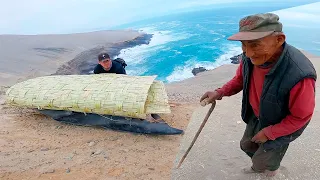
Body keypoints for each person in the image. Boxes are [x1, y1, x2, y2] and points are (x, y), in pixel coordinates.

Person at [200, 13, 317, 177]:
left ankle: (269, 170)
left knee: (265, 158)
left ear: (279, 39)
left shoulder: (299, 74)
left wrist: (270, 133)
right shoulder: (250, 58)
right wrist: (219, 92)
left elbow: (300, 117)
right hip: (259, 114)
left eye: (255, 45)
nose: (247, 54)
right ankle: (260, 166)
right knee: (246, 145)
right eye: (243, 46)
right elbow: (240, 79)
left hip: (282, 123)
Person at [93, 52, 164, 123]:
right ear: (99, 63)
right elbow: (98, 82)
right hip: (108, 83)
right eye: (103, 62)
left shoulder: (118, 67)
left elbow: (125, 82)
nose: (106, 63)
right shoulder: (97, 70)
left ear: (110, 60)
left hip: (122, 82)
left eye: (107, 61)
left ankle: (150, 112)